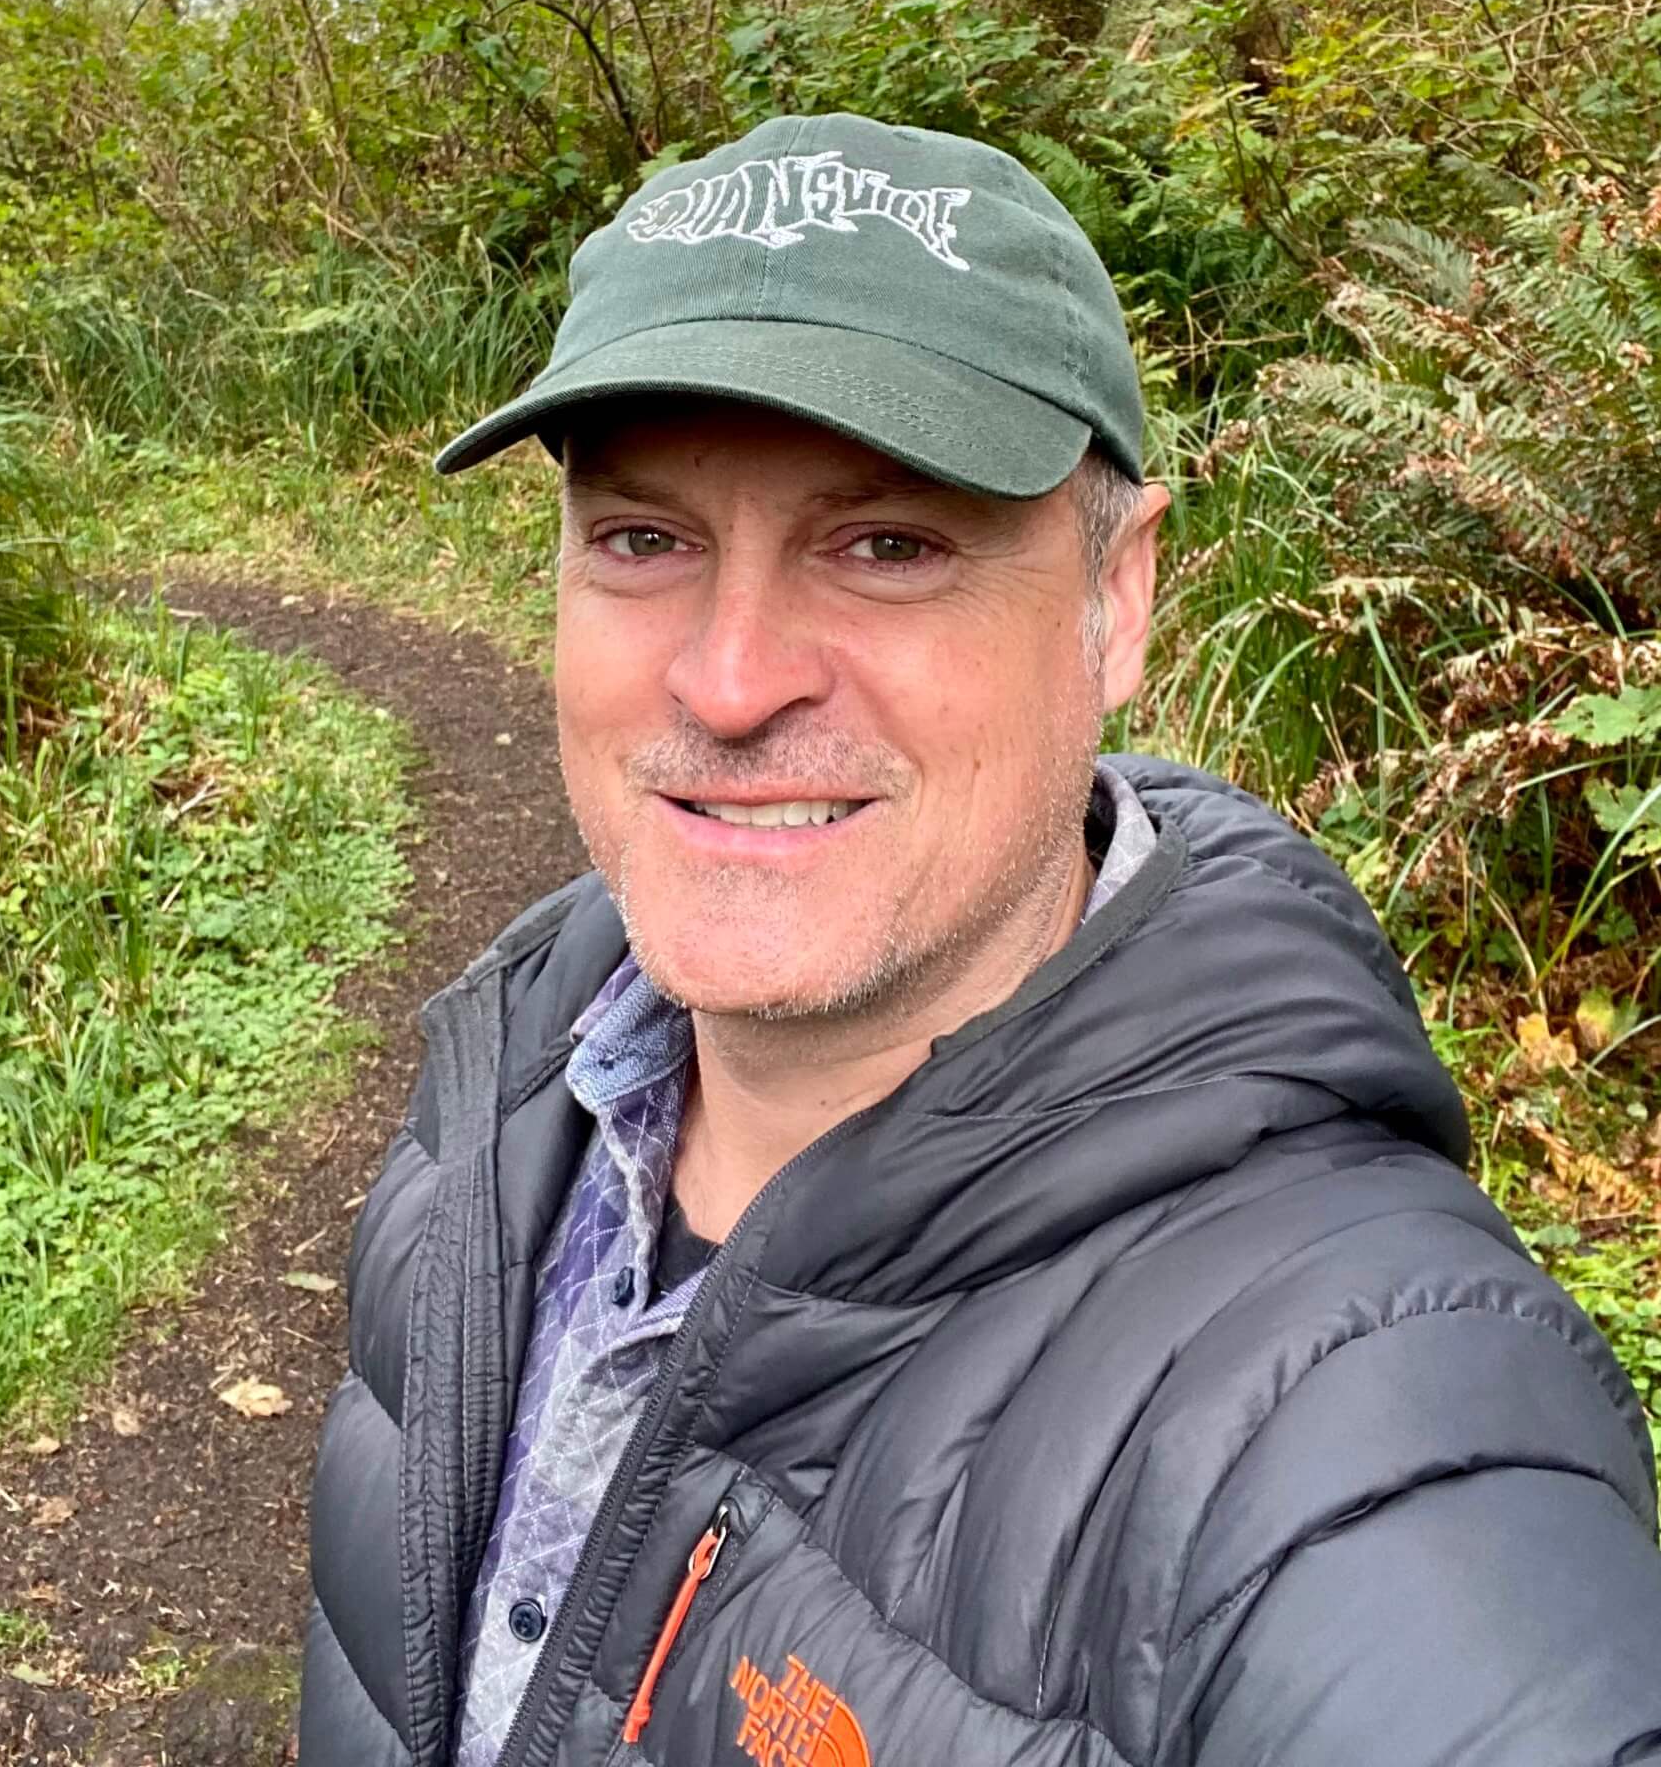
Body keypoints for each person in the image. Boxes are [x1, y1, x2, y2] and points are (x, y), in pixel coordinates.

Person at [299, 114, 1661, 1767]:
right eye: (645, 541)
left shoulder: (1354, 1423)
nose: (730, 683)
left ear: (1120, 600)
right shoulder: (505, 1100)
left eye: (890, 546)